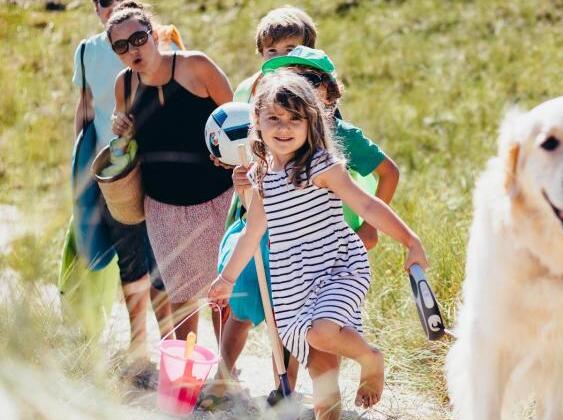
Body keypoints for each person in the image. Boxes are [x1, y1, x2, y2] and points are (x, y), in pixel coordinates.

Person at [209, 70, 428, 419]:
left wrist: (410, 241)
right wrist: (228, 280)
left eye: (295, 119)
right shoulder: (260, 177)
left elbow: (367, 205)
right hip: (292, 284)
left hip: (336, 268)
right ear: (257, 120)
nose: (284, 128)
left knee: (323, 332)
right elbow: (252, 233)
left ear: (311, 122)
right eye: (274, 118)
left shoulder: (319, 165)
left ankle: (370, 358)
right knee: (322, 375)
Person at [106, 4, 233, 341]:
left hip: (216, 198)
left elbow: (237, 120)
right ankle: (187, 375)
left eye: (138, 38)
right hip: (163, 207)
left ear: (154, 34)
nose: (133, 50)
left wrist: (233, 157)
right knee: (180, 295)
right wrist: (120, 127)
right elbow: (126, 140)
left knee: (222, 290)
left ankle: (226, 373)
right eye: (122, 46)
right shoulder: (125, 85)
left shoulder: (197, 66)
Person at [71, 0, 178, 382]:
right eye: (103, 1)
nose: (111, 4)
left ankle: (172, 347)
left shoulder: (160, 40)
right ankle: (138, 349)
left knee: (164, 260)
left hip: (160, 170)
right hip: (114, 175)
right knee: (129, 260)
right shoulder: (86, 51)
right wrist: (81, 177)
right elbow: (83, 114)